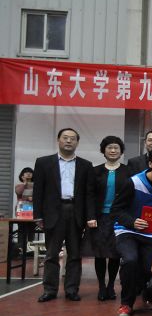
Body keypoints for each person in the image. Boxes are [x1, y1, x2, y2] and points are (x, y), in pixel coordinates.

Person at [111, 146, 152, 316]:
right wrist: (132, 222)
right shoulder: (133, 183)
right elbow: (115, 210)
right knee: (130, 260)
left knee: (150, 267)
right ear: (150, 163)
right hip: (127, 231)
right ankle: (126, 303)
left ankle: (147, 293)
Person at [34, 128, 95, 302]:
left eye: (72, 138)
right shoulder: (43, 162)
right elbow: (38, 191)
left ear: (77, 142)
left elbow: (89, 193)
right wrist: (38, 215)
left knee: (75, 254)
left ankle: (71, 289)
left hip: (76, 212)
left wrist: (90, 216)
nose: (69, 141)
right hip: (53, 212)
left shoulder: (85, 165)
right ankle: (49, 290)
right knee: (52, 254)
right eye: (65, 138)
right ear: (58, 140)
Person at [91, 136, 132, 301]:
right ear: (103, 150)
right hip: (100, 218)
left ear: (121, 151)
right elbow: (89, 195)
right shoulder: (95, 171)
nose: (113, 151)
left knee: (115, 253)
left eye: (116, 148)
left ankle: (111, 286)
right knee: (100, 254)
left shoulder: (128, 171)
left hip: (119, 217)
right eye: (109, 148)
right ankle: (101, 286)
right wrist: (90, 216)